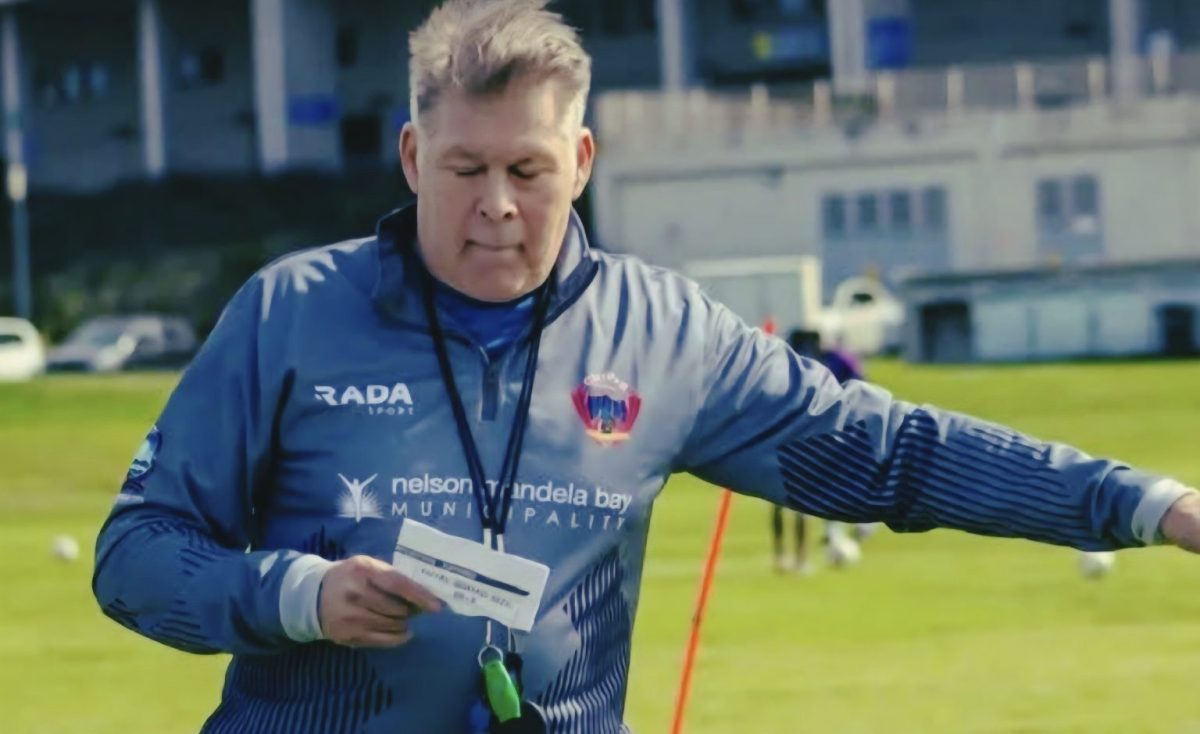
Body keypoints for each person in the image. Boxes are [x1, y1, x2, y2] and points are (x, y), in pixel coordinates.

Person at [92, 1, 1200, 732]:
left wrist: (1148, 503)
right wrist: (296, 592)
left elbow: (891, 455)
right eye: (466, 167)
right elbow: (135, 551)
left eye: (528, 168)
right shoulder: (291, 312)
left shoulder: (664, 333)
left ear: (581, 159)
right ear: (412, 155)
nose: (496, 205)